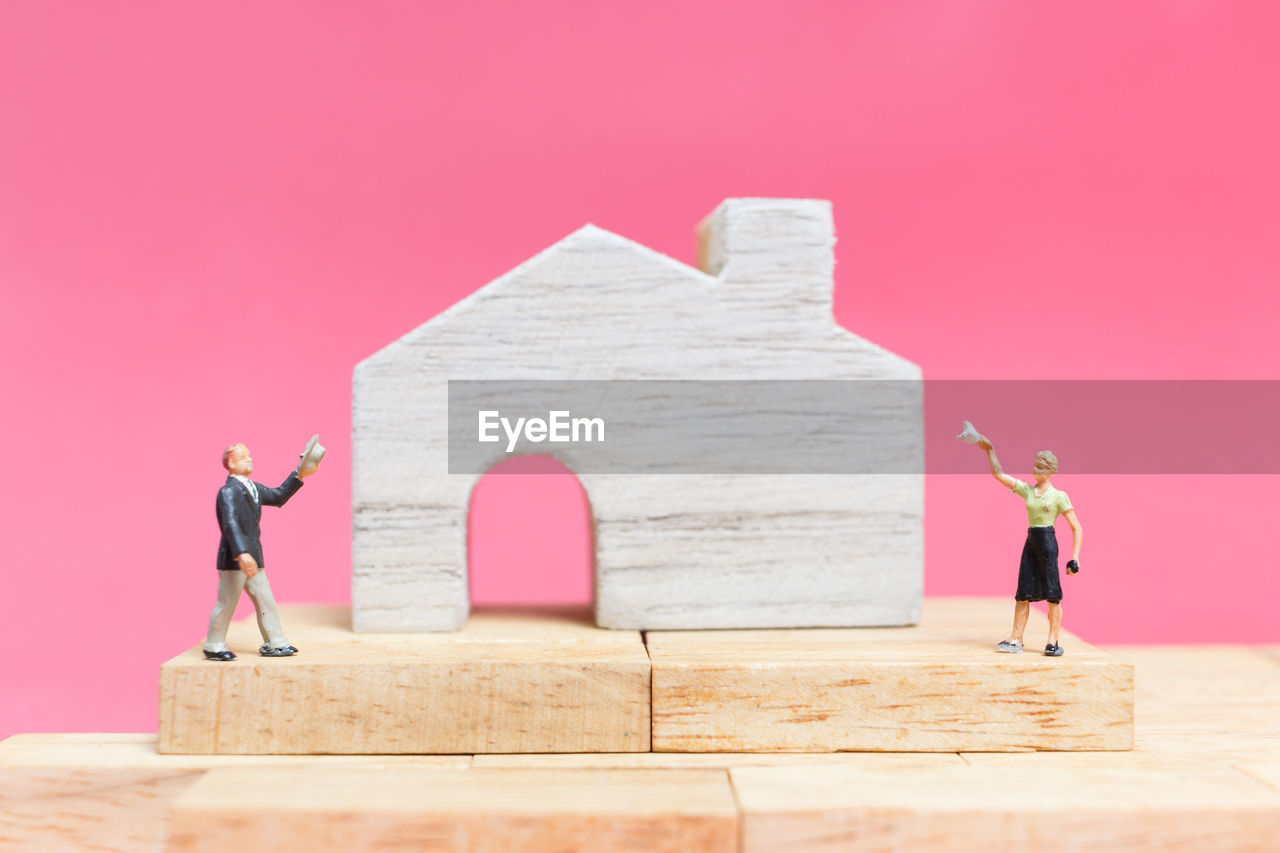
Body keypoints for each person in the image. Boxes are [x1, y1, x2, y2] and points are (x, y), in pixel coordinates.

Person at [203, 439, 322, 661]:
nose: (249, 459)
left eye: (249, 455)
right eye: (242, 457)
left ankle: (275, 642)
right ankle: (214, 644)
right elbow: (230, 525)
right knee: (227, 603)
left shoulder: (253, 487)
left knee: (266, 600)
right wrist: (242, 553)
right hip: (235, 560)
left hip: (254, 558)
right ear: (230, 463)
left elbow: (278, 496)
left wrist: (300, 474)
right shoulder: (228, 492)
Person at [970, 430, 1082, 656]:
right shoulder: (1028, 491)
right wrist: (990, 450)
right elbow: (1000, 475)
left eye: (1042, 465)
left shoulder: (1059, 496)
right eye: (1036, 464)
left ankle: (1052, 641)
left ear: (1051, 470)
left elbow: (1076, 527)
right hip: (1031, 543)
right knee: (1023, 594)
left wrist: (1075, 557)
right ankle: (1016, 639)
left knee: (1053, 595)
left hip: (1048, 543)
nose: (1037, 468)